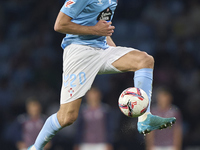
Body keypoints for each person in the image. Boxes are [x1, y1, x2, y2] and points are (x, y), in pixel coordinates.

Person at [28, 0, 176, 149]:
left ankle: (145, 118)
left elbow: (102, 28)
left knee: (145, 60)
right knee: (67, 117)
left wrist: (116, 55)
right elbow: (60, 25)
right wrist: (95, 30)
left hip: (102, 49)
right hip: (79, 53)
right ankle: (35, 147)